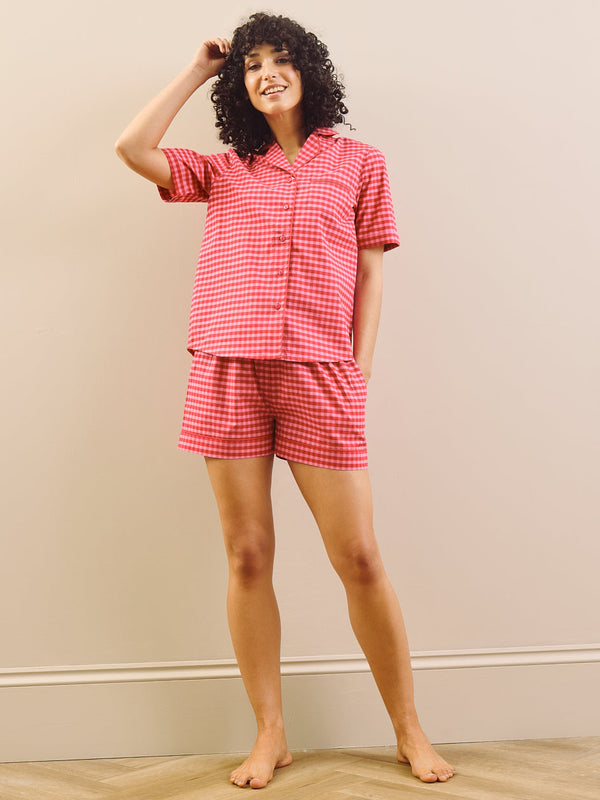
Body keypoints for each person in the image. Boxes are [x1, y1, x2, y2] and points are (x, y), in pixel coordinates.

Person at [115, 11, 456, 788]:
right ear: (241, 85)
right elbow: (131, 151)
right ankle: (271, 734)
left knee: (361, 558)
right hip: (228, 367)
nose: (267, 72)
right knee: (247, 555)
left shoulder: (361, 163)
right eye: (252, 64)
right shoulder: (225, 168)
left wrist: (357, 371)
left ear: (308, 70)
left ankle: (410, 729)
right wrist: (197, 70)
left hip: (319, 373)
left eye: (281, 59)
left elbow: (371, 272)